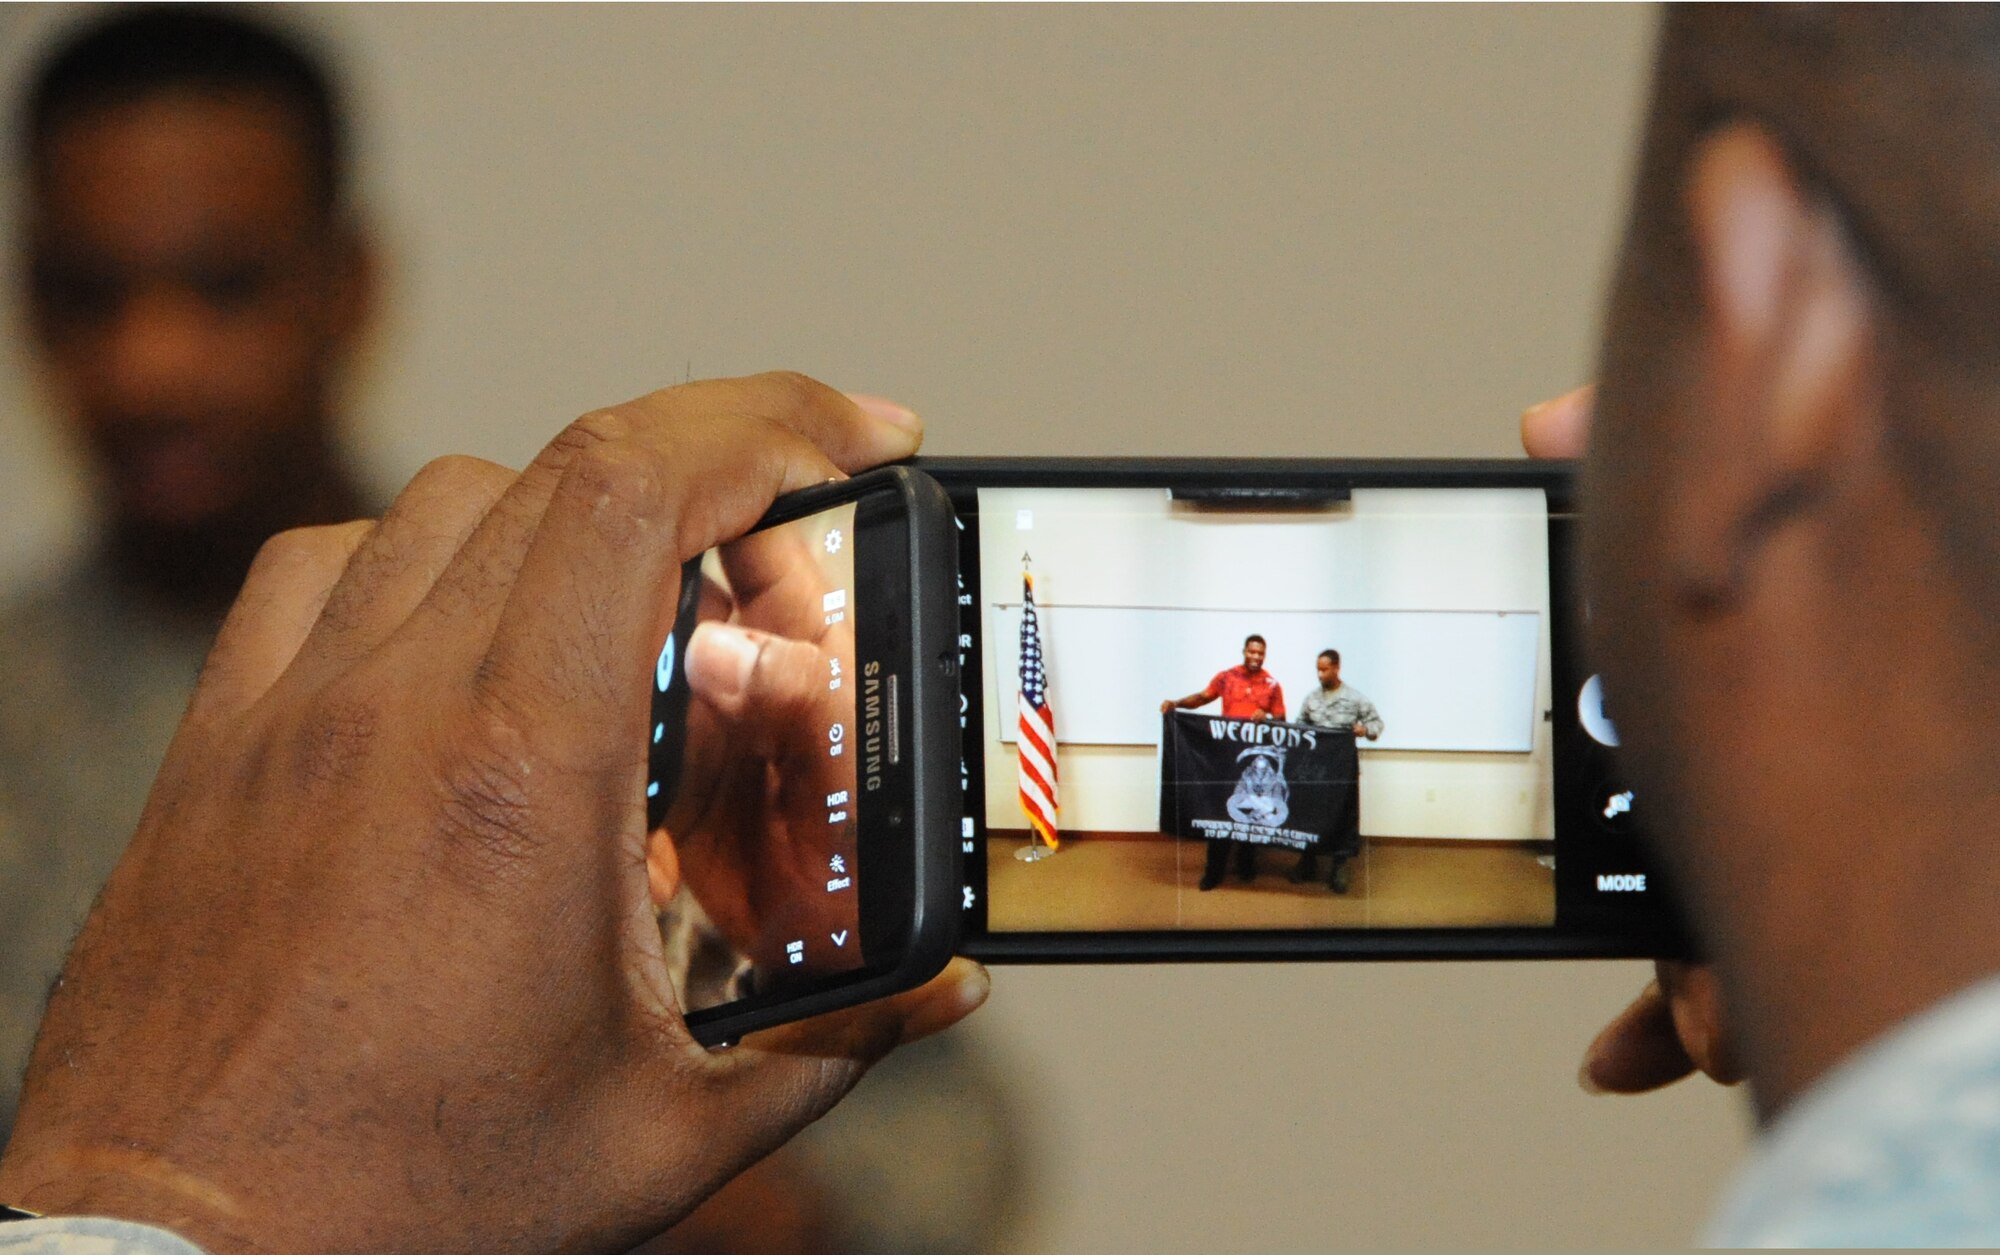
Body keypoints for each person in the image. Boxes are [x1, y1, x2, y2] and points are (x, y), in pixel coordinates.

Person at [0, 10, 1024, 1253]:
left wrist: (732, 1211)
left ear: (350, 286)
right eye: (89, 294)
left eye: (224, 285)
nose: (152, 362)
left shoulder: (595, 652)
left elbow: (954, 1132)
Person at [1160, 633, 1287, 888]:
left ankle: (1246, 865)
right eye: (1252, 652)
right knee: (1222, 811)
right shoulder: (1227, 677)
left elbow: (1282, 720)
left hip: (1253, 760)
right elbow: (1203, 697)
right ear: (1244, 651)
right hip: (1226, 756)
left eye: (1260, 653)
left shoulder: (1272, 684)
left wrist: (1268, 718)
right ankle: (1213, 871)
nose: (1256, 657)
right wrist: (1177, 704)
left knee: (1252, 811)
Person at [1288, 648, 1382, 893]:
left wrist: (1364, 729)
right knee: (1310, 816)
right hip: (1315, 771)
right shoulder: (1311, 699)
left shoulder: (1354, 698)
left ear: (1337, 668)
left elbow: (1377, 724)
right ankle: (1307, 861)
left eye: (1324, 669)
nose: (1320, 674)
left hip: (1342, 771)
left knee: (1342, 818)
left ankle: (1339, 865)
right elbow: (1300, 726)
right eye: (1317, 669)